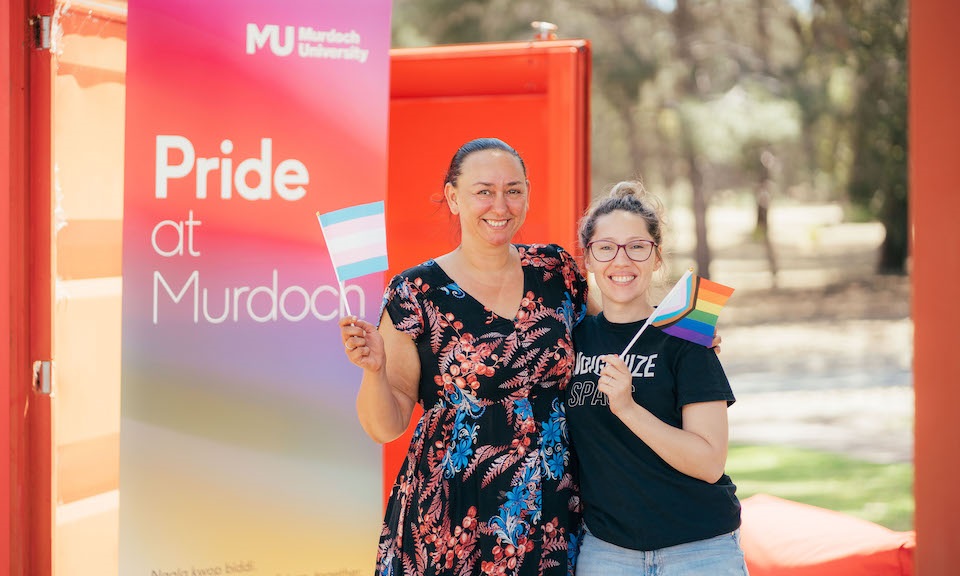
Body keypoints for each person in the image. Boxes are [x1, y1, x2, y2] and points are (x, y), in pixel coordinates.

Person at [338, 137, 590, 575]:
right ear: (453, 198)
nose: (501, 204)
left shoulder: (557, 271)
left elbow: (616, 340)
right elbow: (385, 426)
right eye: (484, 191)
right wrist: (374, 372)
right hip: (454, 512)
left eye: (513, 190)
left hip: (554, 507)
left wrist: (680, 341)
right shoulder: (414, 292)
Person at [566, 181, 748, 575]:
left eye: (637, 247)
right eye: (605, 247)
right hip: (607, 553)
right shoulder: (572, 342)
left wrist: (628, 409)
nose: (621, 260)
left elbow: (709, 462)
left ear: (656, 258)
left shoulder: (685, 338)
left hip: (699, 550)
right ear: (589, 260)